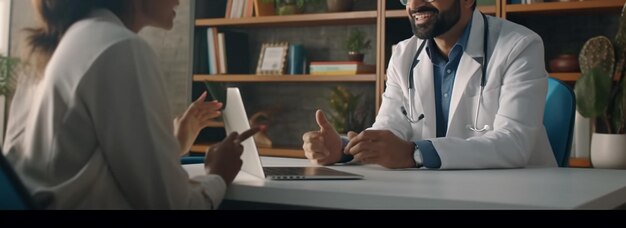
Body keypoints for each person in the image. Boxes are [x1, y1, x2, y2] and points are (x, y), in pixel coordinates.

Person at [2, 0, 258, 209]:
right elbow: (173, 206)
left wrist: (173, 144)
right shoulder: (120, 47)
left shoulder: (56, 46)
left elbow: (77, 161)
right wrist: (218, 174)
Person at [302, 0, 557, 169]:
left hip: (517, 196)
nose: (415, 4)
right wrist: (344, 150)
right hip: (434, 193)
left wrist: (415, 154)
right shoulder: (404, 54)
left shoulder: (520, 45)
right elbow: (389, 130)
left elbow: (513, 143)